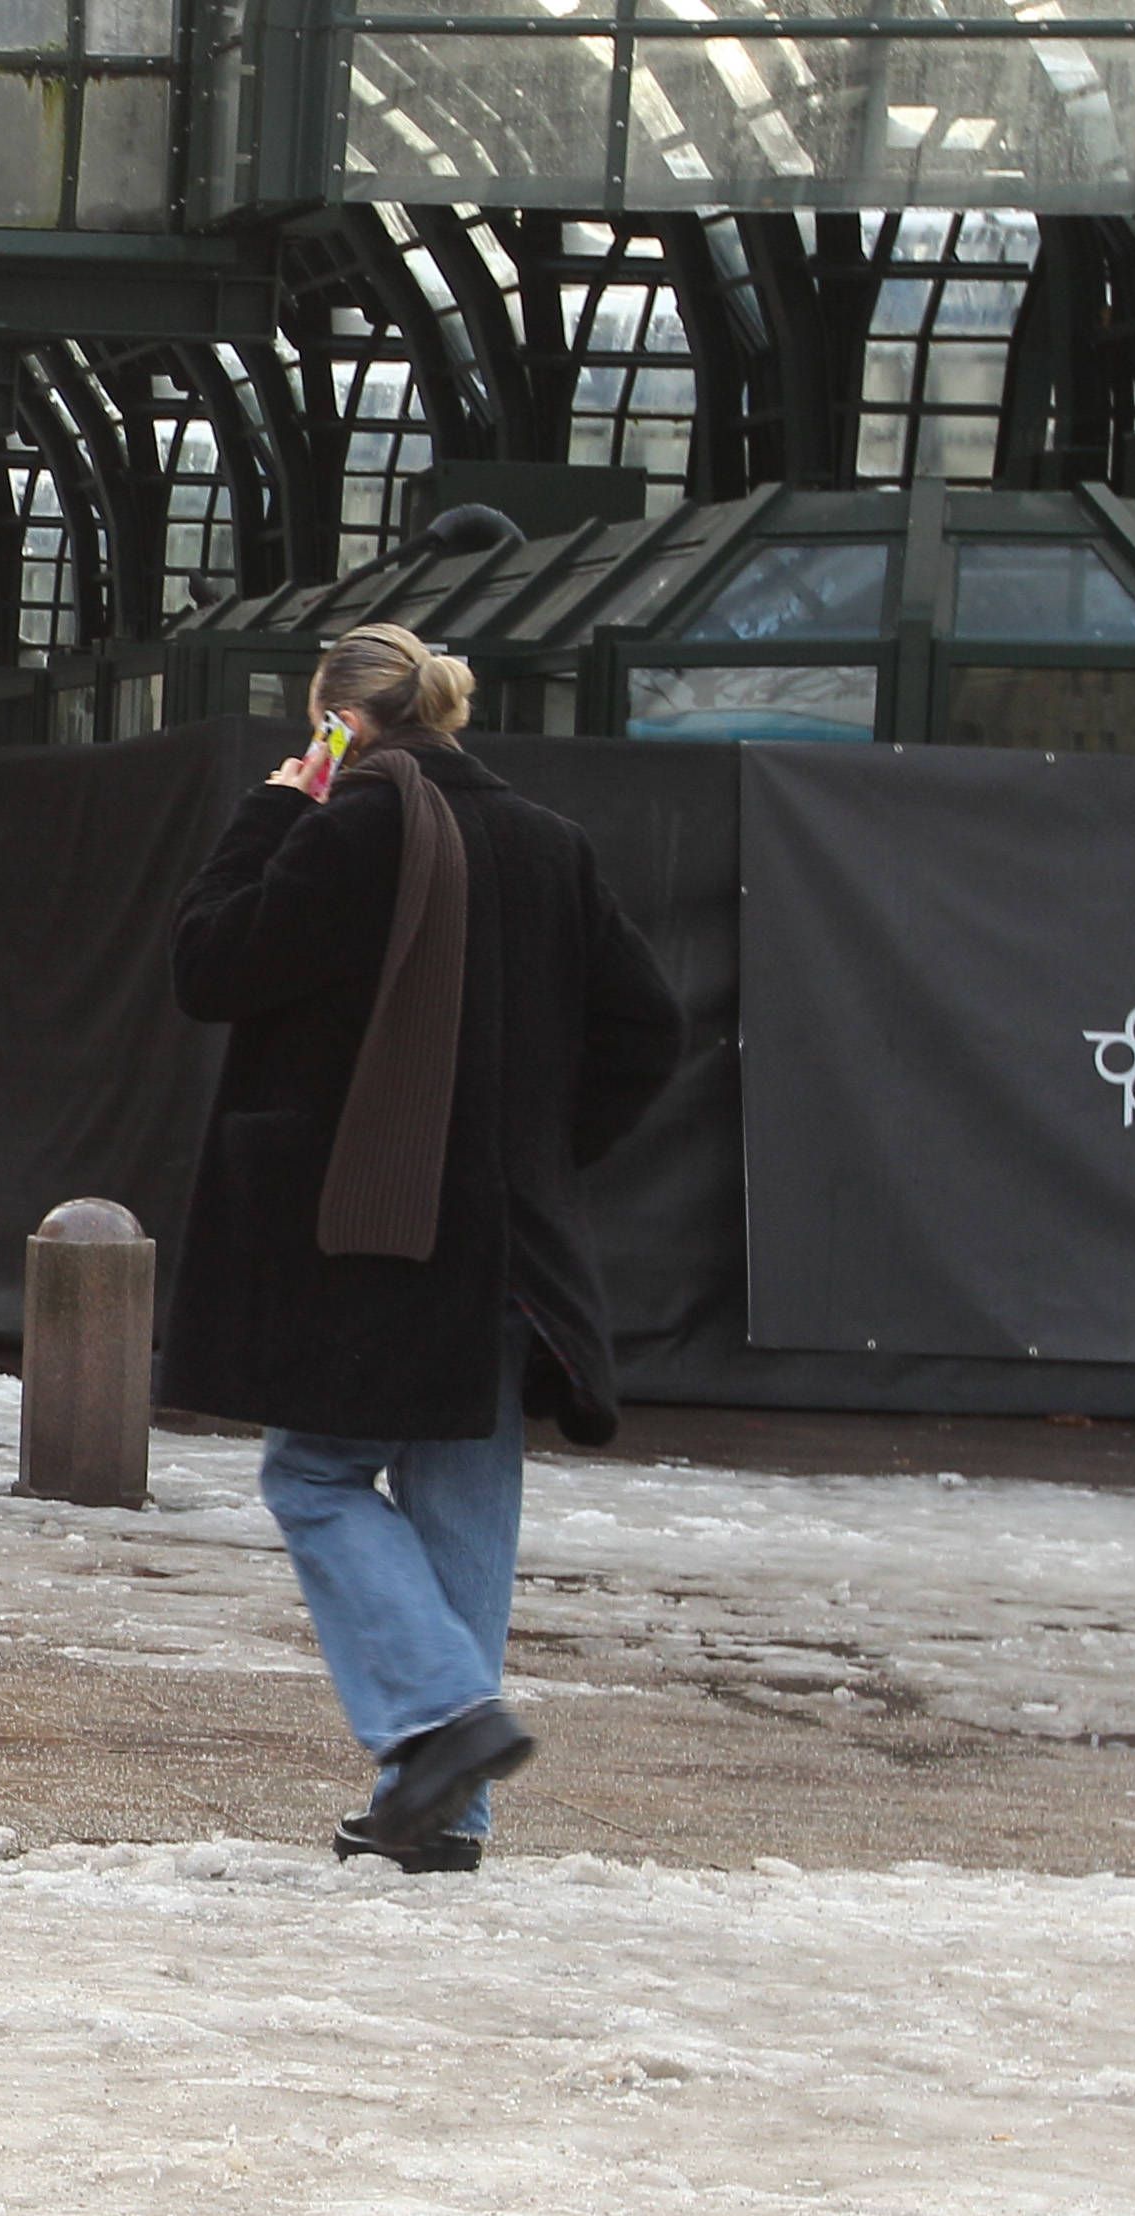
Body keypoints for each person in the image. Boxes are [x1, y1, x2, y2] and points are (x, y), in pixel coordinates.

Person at [164, 623, 679, 1869]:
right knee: (462, 1497)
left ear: (337, 724)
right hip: (511, 1242)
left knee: (316, 1477)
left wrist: (274, 812)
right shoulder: (550, 844)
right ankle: (445, 1814)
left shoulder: (353, 826)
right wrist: (545, 1158)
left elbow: (210, 961)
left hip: (373, 1225)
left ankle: (444, 1719)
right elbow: (647, 1028)